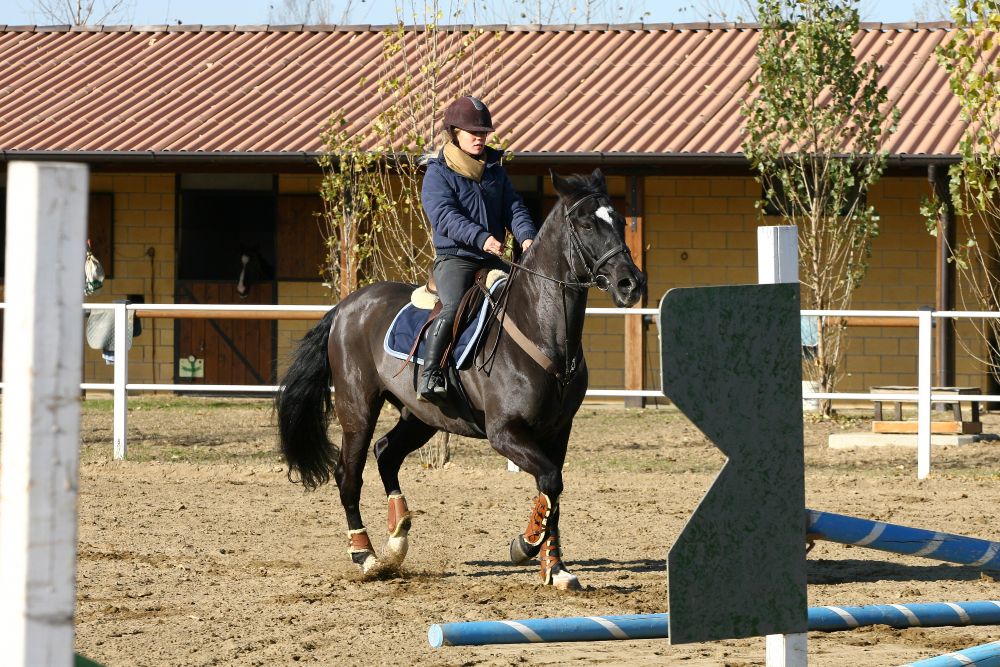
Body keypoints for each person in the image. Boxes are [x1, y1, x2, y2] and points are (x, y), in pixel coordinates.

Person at [418, 95, 537, 402]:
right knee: (454, 306)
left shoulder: (495, 170)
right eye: (474, 131)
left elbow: (514, 207)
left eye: (484, 132)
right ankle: (430, 373)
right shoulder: (437, 173)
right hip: (456, 259)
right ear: (454, 132)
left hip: (491, 258)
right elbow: (444, 215)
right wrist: (481, 237)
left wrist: (526, 236)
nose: (480, 137)